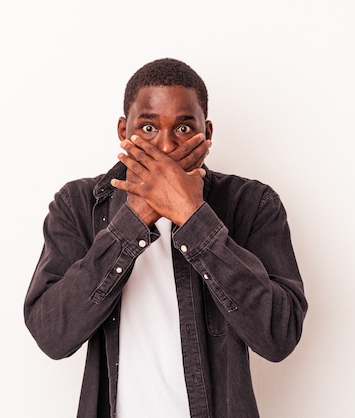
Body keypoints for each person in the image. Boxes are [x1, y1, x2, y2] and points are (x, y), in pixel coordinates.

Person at [24, 58, 307, 418]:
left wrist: (192, 215)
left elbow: (278, 336)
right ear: (123, 131)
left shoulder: (252, 204)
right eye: (148, 127)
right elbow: (52, 335)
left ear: (207, 132)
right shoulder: (78, 205)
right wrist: (136, 218)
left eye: (184, 128)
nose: (167, 146)